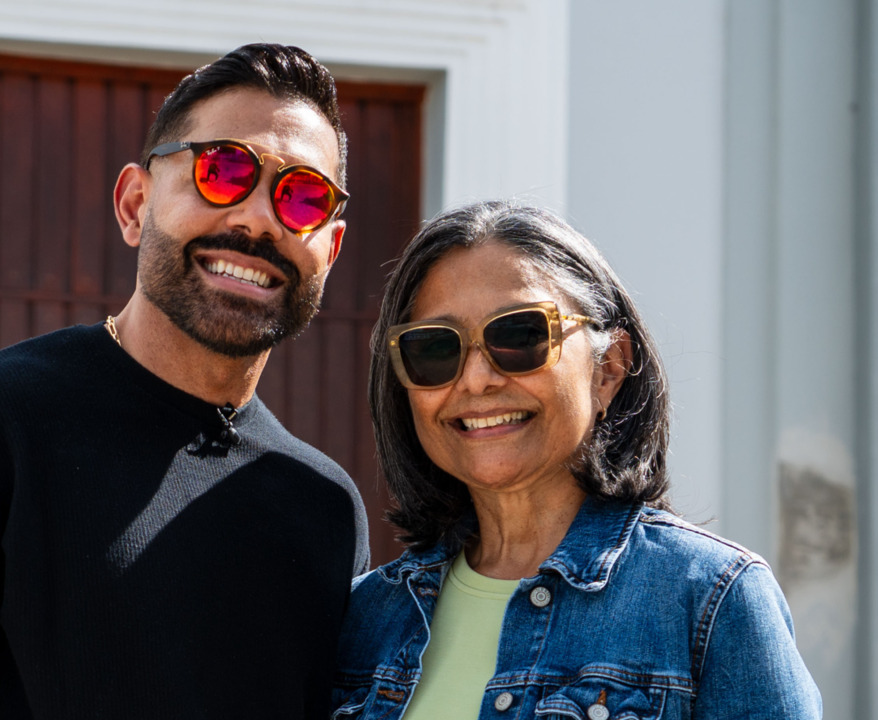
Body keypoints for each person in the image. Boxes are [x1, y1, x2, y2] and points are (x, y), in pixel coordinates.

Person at [0, 43, 369, 720]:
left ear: (330, 251)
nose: (256, 218)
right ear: (136, 203)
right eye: (223, 170)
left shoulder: (326, 509)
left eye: (303, 197)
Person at [332, 201, 820, 719]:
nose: (476, 379)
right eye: (434, 349)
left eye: (519, 336)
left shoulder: (710, 599)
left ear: (608, 369)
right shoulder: (366, 618)